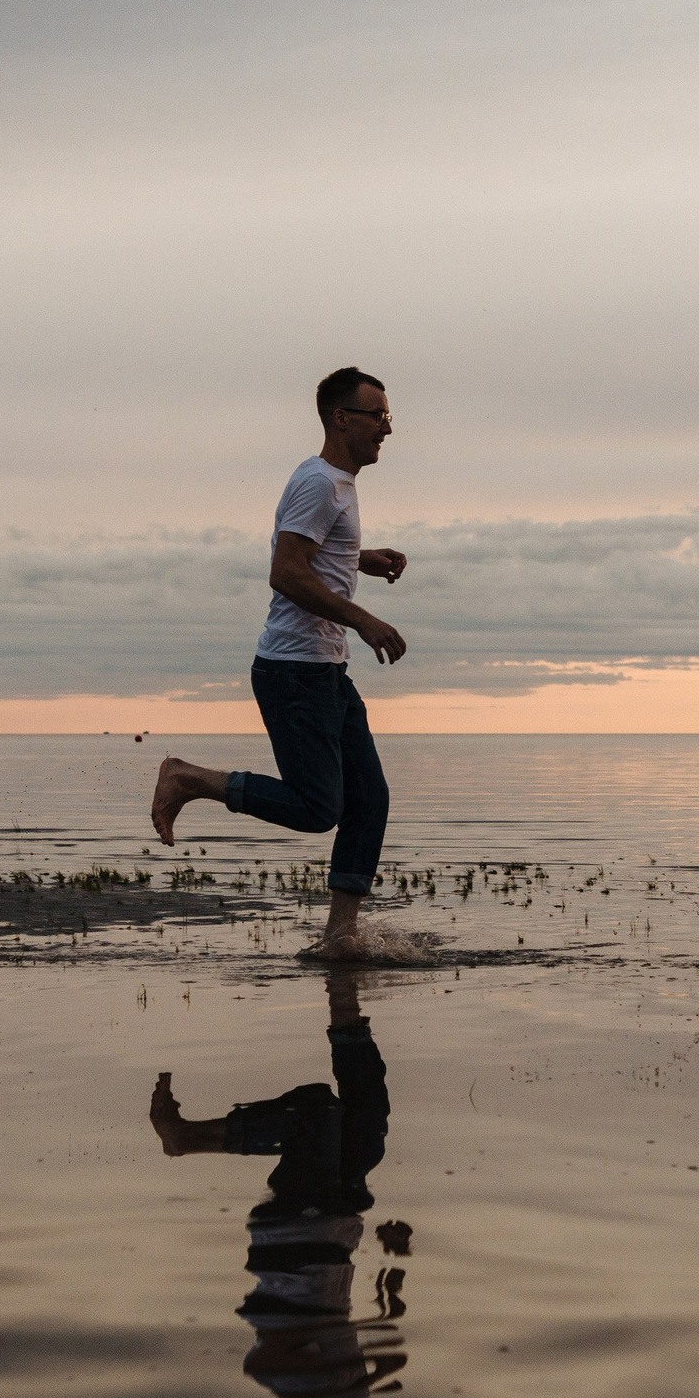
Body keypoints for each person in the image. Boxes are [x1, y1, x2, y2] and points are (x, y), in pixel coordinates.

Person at [147, 970, 420, 1398]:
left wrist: (308, 1345)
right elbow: (382, 1338)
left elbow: (260, 1364)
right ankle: (345, 999)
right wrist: (394, 1274)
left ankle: (187, 1139)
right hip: (336, 1228)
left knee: (315, 1113)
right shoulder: (346, 1395)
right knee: (367, 1119)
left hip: (293, 1234)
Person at [151, 367, 409, 958]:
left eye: (388, 417)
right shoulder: (319, 482)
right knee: (319, 808)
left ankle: (340, 938)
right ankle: (190, 779)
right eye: (377, 416)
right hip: (294, 671)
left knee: (369, 801)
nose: (387, 429)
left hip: (325, 669)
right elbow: (286, 572)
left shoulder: (334, 483)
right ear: (340, 418)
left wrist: (358, 556)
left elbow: (307, 549)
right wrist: (363, 618)